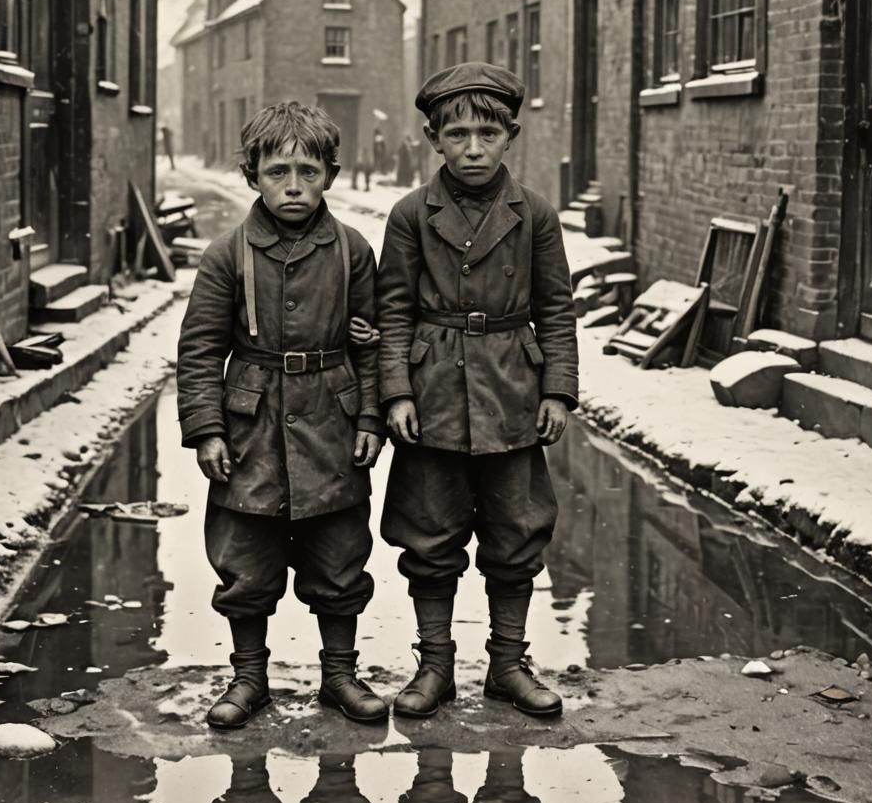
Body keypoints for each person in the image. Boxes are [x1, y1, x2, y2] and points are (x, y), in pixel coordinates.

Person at [376, 61, 578, 720]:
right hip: (432, 390)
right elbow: (393, 311)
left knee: (516, 532)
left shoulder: (535, 215)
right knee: (429, 534)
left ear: (510, 136)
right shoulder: (411, 215)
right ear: (433, 138)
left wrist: (557, 392)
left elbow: (556, 310)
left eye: (487, 135)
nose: (472, 148)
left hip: (512, 390)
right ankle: (435, 666)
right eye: (456, 134)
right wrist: (397, 393)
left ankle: (507, 664)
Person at [177, 101, 386, 730]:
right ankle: (248, 677)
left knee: (340, 554)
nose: (293, 186)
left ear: (330, 175)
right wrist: (207, 429)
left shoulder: (351, 251)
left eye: (308, 172)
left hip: (332, 420)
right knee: (244, 557)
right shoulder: (226, 254)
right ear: (252, 175)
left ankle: (340, 674)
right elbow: (200, 350)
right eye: (277, 172)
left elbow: (373, 344)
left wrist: (370, 419)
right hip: (252, 426)